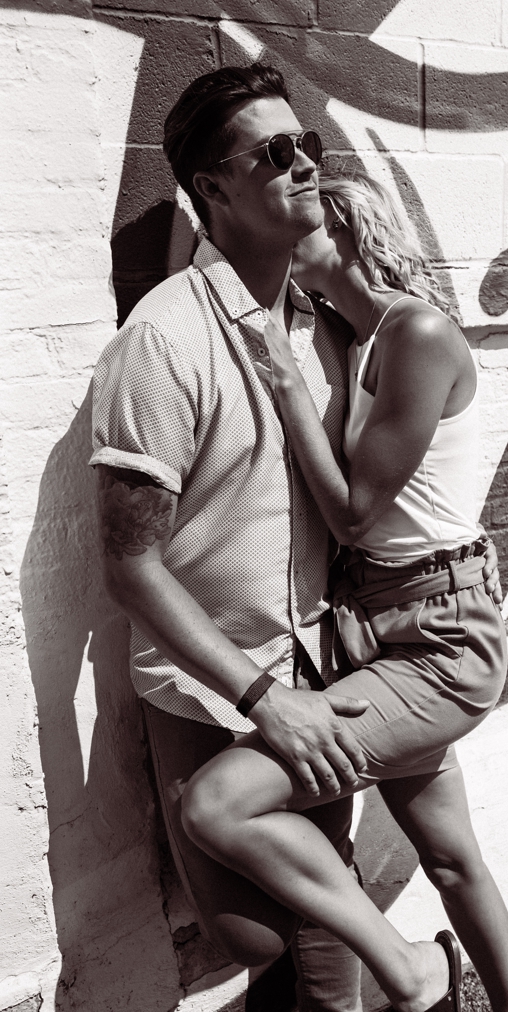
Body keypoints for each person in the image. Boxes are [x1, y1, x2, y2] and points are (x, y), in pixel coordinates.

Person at [176, 170, 508, 1012]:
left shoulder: (419, 335)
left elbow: (359, 516)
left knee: (220, 804)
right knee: (449, 859)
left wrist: (287, 383)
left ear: (342, 222)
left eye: (298, 219)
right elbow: (203, 258)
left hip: (439, 638)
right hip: (373, 626)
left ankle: (417, 972)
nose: (278, 234)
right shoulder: (354, 333)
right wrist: (198, 196)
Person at [90, 64, 365, 1010]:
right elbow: (130, 565)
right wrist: (259, 695)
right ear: (211, 189)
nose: (305, 167)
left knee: (322, 944)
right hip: (218, 692)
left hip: (322, 673)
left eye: (310, 147)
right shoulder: (162, 341)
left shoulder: (320, 328)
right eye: (274, 153)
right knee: (260, 935)